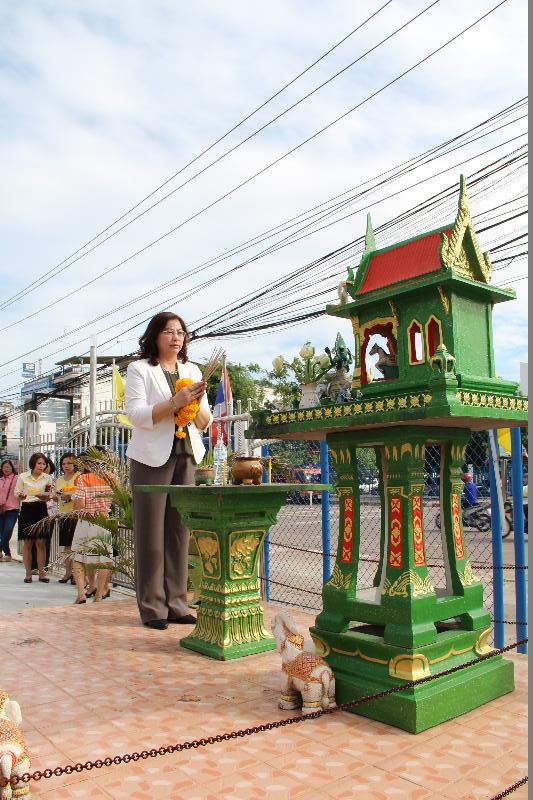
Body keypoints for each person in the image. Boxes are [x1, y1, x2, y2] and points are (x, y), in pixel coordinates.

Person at [125, 311, 212, 630]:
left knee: (179, 533)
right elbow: (135, 414)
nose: (176, 337)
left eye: (180, 332)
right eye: (168, 332)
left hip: (186, 453)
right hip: (150, 457)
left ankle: (177, 603)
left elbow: (204, 420)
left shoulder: (192, 369)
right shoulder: (139, 369)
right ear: (154, 336)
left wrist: (198, 404)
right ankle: (152, 607)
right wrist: (175, 402)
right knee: (150, 534)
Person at [70, 451, 114, 604]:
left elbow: (81, 504)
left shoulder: (83, 478)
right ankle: (99, 596)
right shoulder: (111, 477)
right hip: (104, 519)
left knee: (79, 557)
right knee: (104, 558)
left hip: (86, 520)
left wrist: (74, 505)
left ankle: (81, 593)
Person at [15, 453, 52, 583]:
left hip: (41, 509)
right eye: (39, 463)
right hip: (27, 508)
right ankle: (28, 573)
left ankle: (42, 572)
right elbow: (17, 493)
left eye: (43, 464)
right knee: (28, 542)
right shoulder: (23, 476)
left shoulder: (47, 478)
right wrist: (21, 496)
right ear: (33, 463)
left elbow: (48, 495)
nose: (41, 466)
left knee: (41, 542)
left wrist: (45, 497)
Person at [54, 452, 80, 583]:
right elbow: (56, 496)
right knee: (66, 546)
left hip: (76, 514)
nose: (66, 466)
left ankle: (77, 575)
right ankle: (67, 572)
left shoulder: (79, 476)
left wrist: (71, 496)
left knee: (76, 546)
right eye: (63, 463)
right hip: (64, 514)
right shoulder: (59, 480)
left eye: (69, 463)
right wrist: (53, 497)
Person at [0, 460, 19, 561]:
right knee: (2, 533)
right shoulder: (0, 480)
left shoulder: (17, 479)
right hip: (0, 510)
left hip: (12, 509)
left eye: (8, 467)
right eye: (4, 467)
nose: (6, 469)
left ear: (12, 468)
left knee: (7, 531)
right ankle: (7, 553)